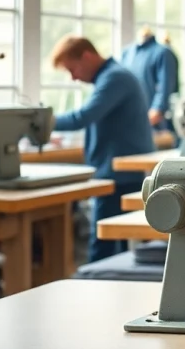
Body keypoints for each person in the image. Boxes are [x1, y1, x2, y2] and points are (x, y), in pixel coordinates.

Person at [49, 36, 156, 263]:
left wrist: (40, 121)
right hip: (117, 172)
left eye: (73, 68)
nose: (74, 77)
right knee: (112, 247)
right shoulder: (115, 77)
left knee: (102, 247)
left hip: (117, 176)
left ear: (87, 56)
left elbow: (83, 117)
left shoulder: (115, 78)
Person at [119, 28, 179, 139]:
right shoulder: (127, 53)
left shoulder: (163, 53)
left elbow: (165, 89)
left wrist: (155, 113)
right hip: (129, 122)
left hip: (154, 124)